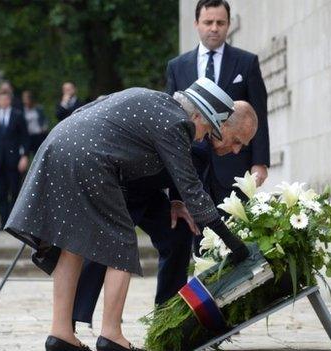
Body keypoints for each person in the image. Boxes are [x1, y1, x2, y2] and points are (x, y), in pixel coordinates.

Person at [4, 78, 254, 351]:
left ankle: (60, 334)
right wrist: (234, 245)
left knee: (71, 243)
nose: (205, 135)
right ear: (196, 115)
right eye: (208, 127)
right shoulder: (177, 123)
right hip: (91, 159)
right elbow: (191, 190)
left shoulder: (154, 101)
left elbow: (94, 107)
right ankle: (112, 336)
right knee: (121, 244)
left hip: (58, 144)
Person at [72, 101, 257, 326]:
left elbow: (186, 178)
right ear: (223, 124)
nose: (237, 150)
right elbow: (193, 188)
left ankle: (166, 316)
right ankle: (71, 316)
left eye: (242, 146)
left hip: (148, 189)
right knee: (108, 244)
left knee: (178, 232)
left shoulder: (206, 144)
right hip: (122, 184)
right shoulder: (194, 133)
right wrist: (231, 241)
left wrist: (177, 201)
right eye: (237, 141)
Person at [166, 0, 270, 198]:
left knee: (233, 227)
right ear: (196, 23)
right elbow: (172, 118)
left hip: (235, 167)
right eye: (208, 22)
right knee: (192, 228)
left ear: (228, 24)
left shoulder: (247, 63)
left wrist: (260, 162)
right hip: (190, 167)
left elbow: (259, 115)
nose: (214, 28)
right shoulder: (176, 66)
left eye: (220, 23)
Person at [0, 90, 29, 232]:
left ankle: (14, 225)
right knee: (1, 193)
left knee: (15, 192)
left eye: (6, 99)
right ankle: (2, 223)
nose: (3, 102)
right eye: (0, 99)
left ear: (9, 100)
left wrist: (24, 156)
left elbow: (25, 138)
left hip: (14, 160)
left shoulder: (18, 115)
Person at [22, 90, 49, 155]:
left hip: (38, 134)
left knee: (38, 153)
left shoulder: (38, 108)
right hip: (28, 135)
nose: (25, 101)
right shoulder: (22, 110)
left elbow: (44, 119)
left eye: (26, 99)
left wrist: (44, 127)